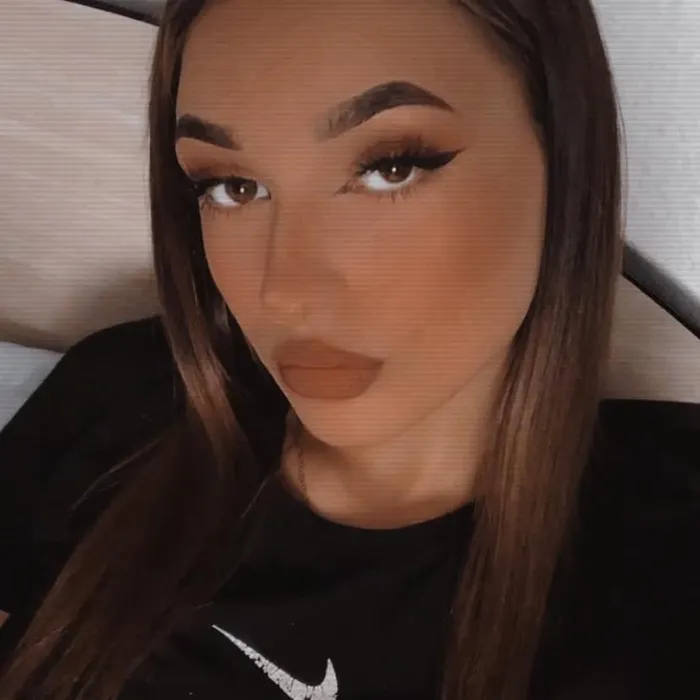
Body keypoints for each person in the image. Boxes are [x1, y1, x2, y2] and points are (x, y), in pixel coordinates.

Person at [0, 0, 698, 698]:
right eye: (233, 187)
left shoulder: (669, 551)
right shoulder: (120, 402)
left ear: (563, 157)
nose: (284, 292)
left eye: (391, 168)